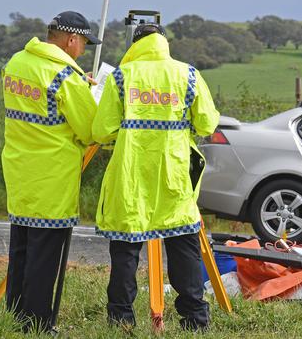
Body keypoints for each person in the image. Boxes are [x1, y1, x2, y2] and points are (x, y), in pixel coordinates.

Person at [92, 23, 219, 331]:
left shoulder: (122, 77)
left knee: (125, 250)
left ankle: (121, 320)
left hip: (131, 175)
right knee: (184, 246)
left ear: (135, 45)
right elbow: (207, 124)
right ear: (164, 43)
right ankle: (195, 319)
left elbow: (101, 130)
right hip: (173, 175)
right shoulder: (188, 74)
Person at [2, 10, 100, 332]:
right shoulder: (65, 76)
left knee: (21, 250)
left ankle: (14, 318)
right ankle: (39, 325)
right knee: (46, 258)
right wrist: (87, 93)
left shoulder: (17, 63)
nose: (83, 50)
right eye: (84, 43)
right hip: (52, 177)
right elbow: (89, 130)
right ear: (72, 40)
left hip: (19, 170)